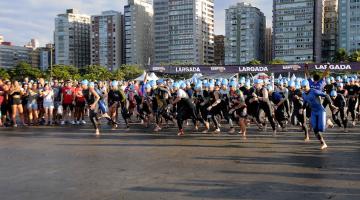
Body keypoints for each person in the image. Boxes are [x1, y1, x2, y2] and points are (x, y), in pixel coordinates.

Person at [300, 80, 336, 150]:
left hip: (320, 111)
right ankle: (323, 143)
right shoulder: (303, 94)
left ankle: (328, 123)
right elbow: (305, 103)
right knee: (315, 129)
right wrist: (302, 108)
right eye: (302, 87)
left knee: (321, 128)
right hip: (313, 112)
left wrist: (331, 104)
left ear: (308, 85)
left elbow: (326, 95)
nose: (303, 88)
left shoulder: (314, 91)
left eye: (305, 86)